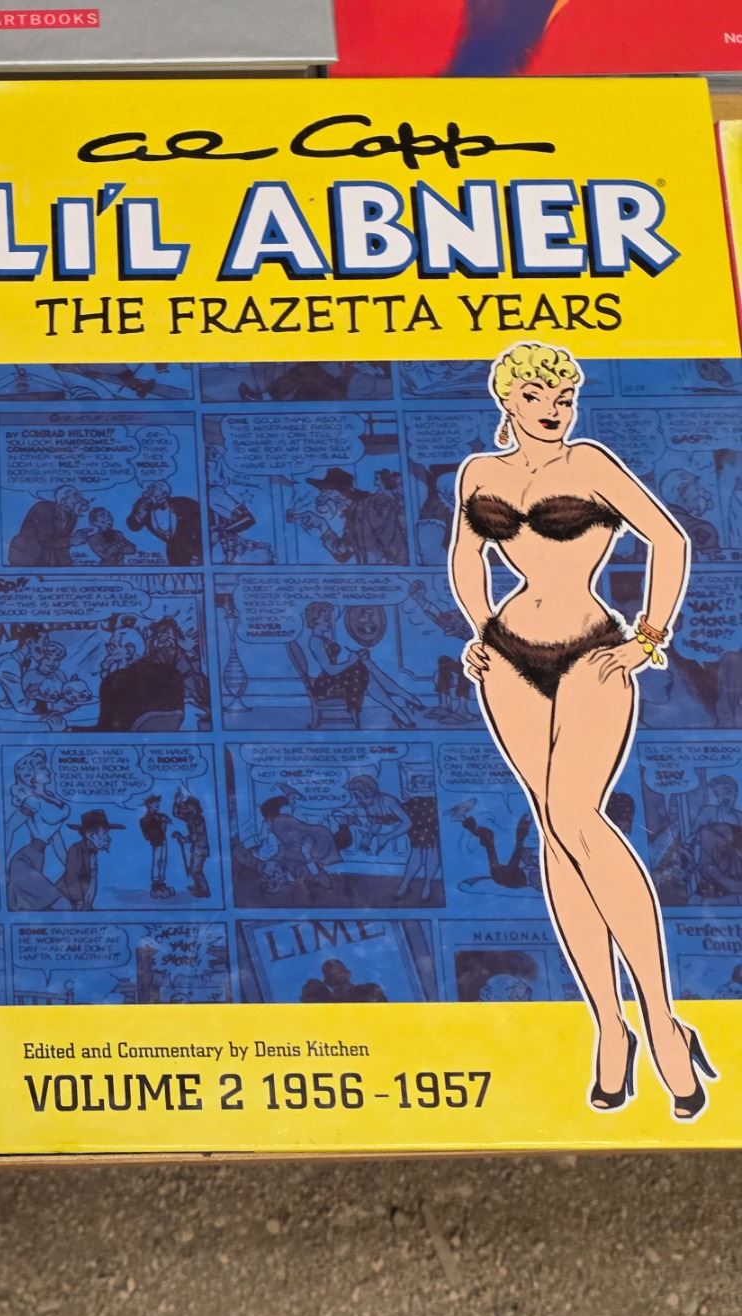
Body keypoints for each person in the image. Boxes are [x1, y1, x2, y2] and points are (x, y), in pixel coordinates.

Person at [450, 341, 710, 1119]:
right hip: (508, 658)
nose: (554, 408)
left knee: (576, 816)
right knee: (554, 831)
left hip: (592, 653)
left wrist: (648, 638)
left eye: (564, 396)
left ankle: (662, 1022)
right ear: (508, 400)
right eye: (537, 396)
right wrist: (478, 629)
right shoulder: (479, 472)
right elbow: (466, 556)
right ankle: (610, 1029)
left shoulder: (590, 463)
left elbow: (670, 540)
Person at [295, 601, 424, 728]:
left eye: (329, 618)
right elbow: (330, 670)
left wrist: (356, 657)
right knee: (365, 673)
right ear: (315, 620)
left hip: (333, 679)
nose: (330, 622)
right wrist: (351, 661)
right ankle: (405, 702)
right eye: (326, 619)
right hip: (325, 686)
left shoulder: (322, 638)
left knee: (365, 664)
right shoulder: (315, 641)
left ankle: (401, 707)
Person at [296, 467, 407, 564]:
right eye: (322, 491)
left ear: (347, 491)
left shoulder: (376, 504)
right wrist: (322, 526)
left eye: (328, 491)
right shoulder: (352, 517)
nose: (322, 497)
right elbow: (343, 554)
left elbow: (399, 552)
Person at [6, 750, 69, 911]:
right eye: (41, 767)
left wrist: (70, 866)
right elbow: (9, 827)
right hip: (22, 862)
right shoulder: (32, 802)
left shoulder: (52, 798)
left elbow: (57, 839)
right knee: (63, 905)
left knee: (43, 911)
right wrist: (3, 864)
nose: (47, 769)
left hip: (38, 860)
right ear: (31, 776)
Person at [126, 480, 202, 566]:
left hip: (193, 551)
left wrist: (196, 556)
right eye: (149, 493)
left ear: (164, 494)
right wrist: (140, 515)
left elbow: (203, 528)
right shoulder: (143, 505)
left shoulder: (184, 503)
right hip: (172, 553)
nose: (150, 497)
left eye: (153, 492)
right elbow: (133, 526)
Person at [9, 485, 88, 567]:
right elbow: (46, 541)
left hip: (47, 559)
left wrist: (68, 565)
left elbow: (62, 546)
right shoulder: (43, 508)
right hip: (25, 557)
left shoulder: (72, 517)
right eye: (75, 495)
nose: (79, 500)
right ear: (63, 500)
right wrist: (71, 541)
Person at [59, 810, 122, 910]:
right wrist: (79, 902)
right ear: (91, 835)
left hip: (77, 905)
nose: (109, 838)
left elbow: (91, 882)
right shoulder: (76, 850)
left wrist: (87, 906)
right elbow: (72, 877)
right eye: (105, 833)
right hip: (62, 901)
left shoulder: (92, 854)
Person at [171, 786, 211, 898]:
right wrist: (176, 802)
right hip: (196, 849)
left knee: (196, 870)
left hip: (201, 849)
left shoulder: (199, 819)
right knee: (193, 869)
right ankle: (197, 886)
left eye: (188, 807)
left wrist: (184, 839)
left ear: (195, 808)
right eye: (185, 807)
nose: (185, 809)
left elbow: (196, 835)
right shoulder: (191, 818)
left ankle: (204, 891)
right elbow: (176, 814)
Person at [72, 506, 139, 565]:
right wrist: (119, 546)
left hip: (121, 567)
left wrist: (116, 549)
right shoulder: (93, 538)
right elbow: (104, 554)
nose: (108, 518)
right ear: (94, 523)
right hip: (105, 568)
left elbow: (133, 549)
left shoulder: (118, 534)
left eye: (109, 516)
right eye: (102, 516)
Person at [138, 796, 174, 899]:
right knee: (157, 861)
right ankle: (156, 883)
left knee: (163, 861)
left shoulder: (160, 815)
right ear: (149, 805)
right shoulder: (145, 819)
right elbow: (147, 835)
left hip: (163, 840)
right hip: (156, 842)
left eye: (158, 802)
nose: (157, 804)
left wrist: (164, 821)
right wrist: (162, 822)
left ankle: (161, 882)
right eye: (155, 803)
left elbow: (167, 824)